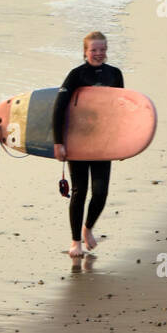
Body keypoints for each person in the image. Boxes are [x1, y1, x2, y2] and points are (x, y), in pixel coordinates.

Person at [52, 31, 123, 258]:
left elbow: (119, 111)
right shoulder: (76, 75)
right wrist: (58, 142)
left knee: (100, 193)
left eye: (102, 49)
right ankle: (75, 242)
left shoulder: (115, 75)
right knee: (79, 192)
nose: (98, 53)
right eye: (94, 50)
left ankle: (88, 227)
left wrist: (124, 144)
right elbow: (59, 108)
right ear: (85, 52)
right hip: (79, 141)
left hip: (103, 143)